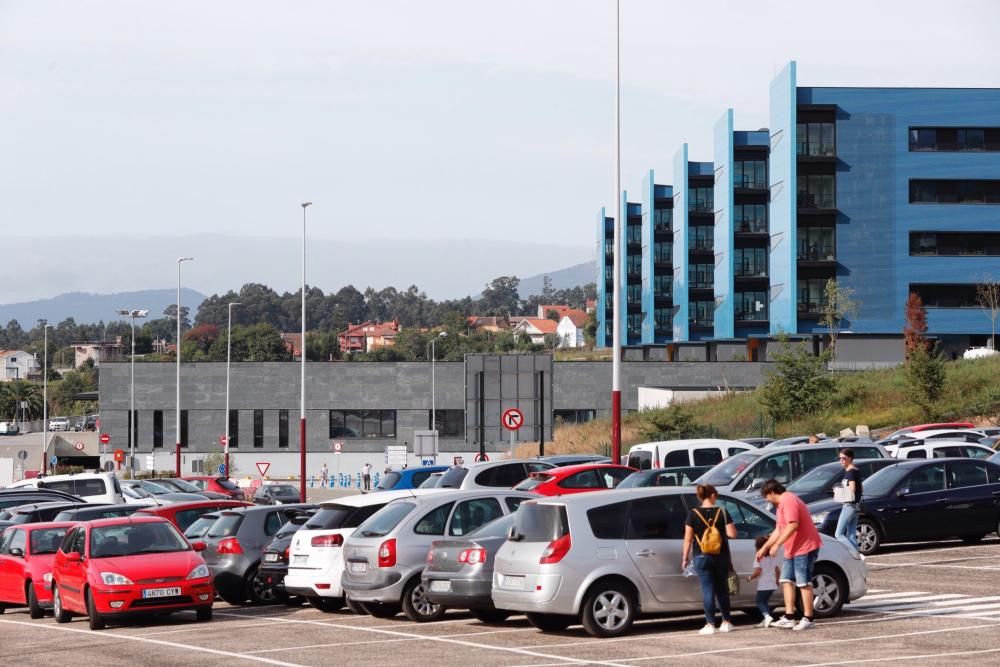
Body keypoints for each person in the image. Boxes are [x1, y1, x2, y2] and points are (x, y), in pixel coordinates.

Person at [756, 479, 824, 631]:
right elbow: (779, 529)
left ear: (772, 492)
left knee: (803, 582)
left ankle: (808, 618)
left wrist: (777, 544)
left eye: (766, 496)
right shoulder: (781, 505)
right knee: (786, 580)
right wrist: (766, 547)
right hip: (792, 548)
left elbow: (793, 524)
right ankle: (789, 616)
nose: (766, 500)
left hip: (804, 547)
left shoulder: (789, 500)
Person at [682, 483, 737, 635]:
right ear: (712, 495)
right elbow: (732, 534)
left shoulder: (693, 514)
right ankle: (726, 622)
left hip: (701, 556)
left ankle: (710, 624)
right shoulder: (723, 512)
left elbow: (687, 539)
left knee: (707, 590)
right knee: (722, 590)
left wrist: (685, 558)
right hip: (721, 556)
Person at [834, 448, 864, 560]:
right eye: (840, 458)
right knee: (850, 533)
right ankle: (856, 560)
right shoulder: (856, 470)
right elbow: (862, 488)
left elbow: (852, 488)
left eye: (844, 458)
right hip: (855, 505)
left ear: (850, 458)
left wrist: (839, 490)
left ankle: (856, 556)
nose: (841, 461)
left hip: (849, 505)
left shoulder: (850, 471)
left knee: (839, 534)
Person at [748, 535, 780, 628]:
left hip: (764, 584)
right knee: (765, 601)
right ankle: (766, 620)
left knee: (759, 601)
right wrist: (777, 581)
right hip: (772, 584)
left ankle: (767, 616)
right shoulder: (773, 557)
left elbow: (758, 571)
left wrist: (750, 577)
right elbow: (777, 570)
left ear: (758, 547)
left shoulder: (758, 557)